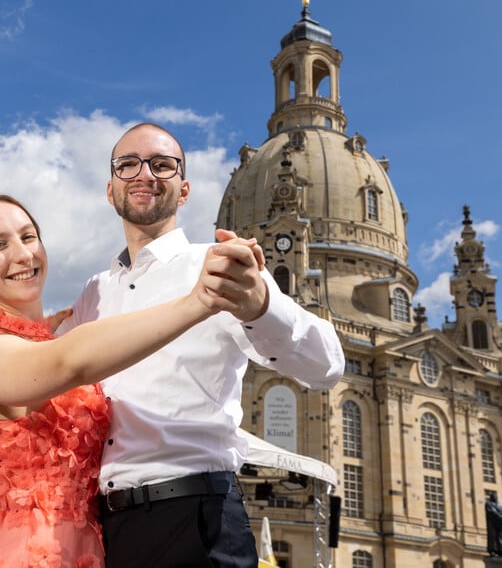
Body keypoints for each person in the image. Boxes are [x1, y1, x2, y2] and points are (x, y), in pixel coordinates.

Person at [0, 195, 256, 567]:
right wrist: (197, 302)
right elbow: (70, 362)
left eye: (29, 236)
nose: (23, 254)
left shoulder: (35, 341)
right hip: (28, 553)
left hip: (93, 546)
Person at [58, 122, 345, 567]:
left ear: (184, 189)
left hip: (197, 520)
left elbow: (327, 366)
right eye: (128, 164)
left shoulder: (217, 267)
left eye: (161, 165)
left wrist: (261, 306)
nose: (144, 174)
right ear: (110, 187)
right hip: (104, 529)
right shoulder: (92, 294)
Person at [486, 491, 502, 557]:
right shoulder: (489, 504)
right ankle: (493, 550)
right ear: (491, 497)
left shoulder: (500, 506)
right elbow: (492, 512)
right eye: (494, 496)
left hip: (500, 526)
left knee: (501, 538)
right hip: (493, 525)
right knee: (493, 538)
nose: (495, 497)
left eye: (496, 496)